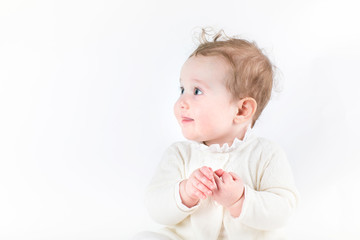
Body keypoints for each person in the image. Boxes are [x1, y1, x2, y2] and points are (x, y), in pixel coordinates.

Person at [133, 28, 299, 240]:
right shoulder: (180, 154)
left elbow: (283, 210)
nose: (182, 102)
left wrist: (240, 199)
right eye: (182, 89)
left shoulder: (266, 154)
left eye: (197, 91)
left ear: (241, 110)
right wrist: (185, 193)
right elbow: (155, 208)